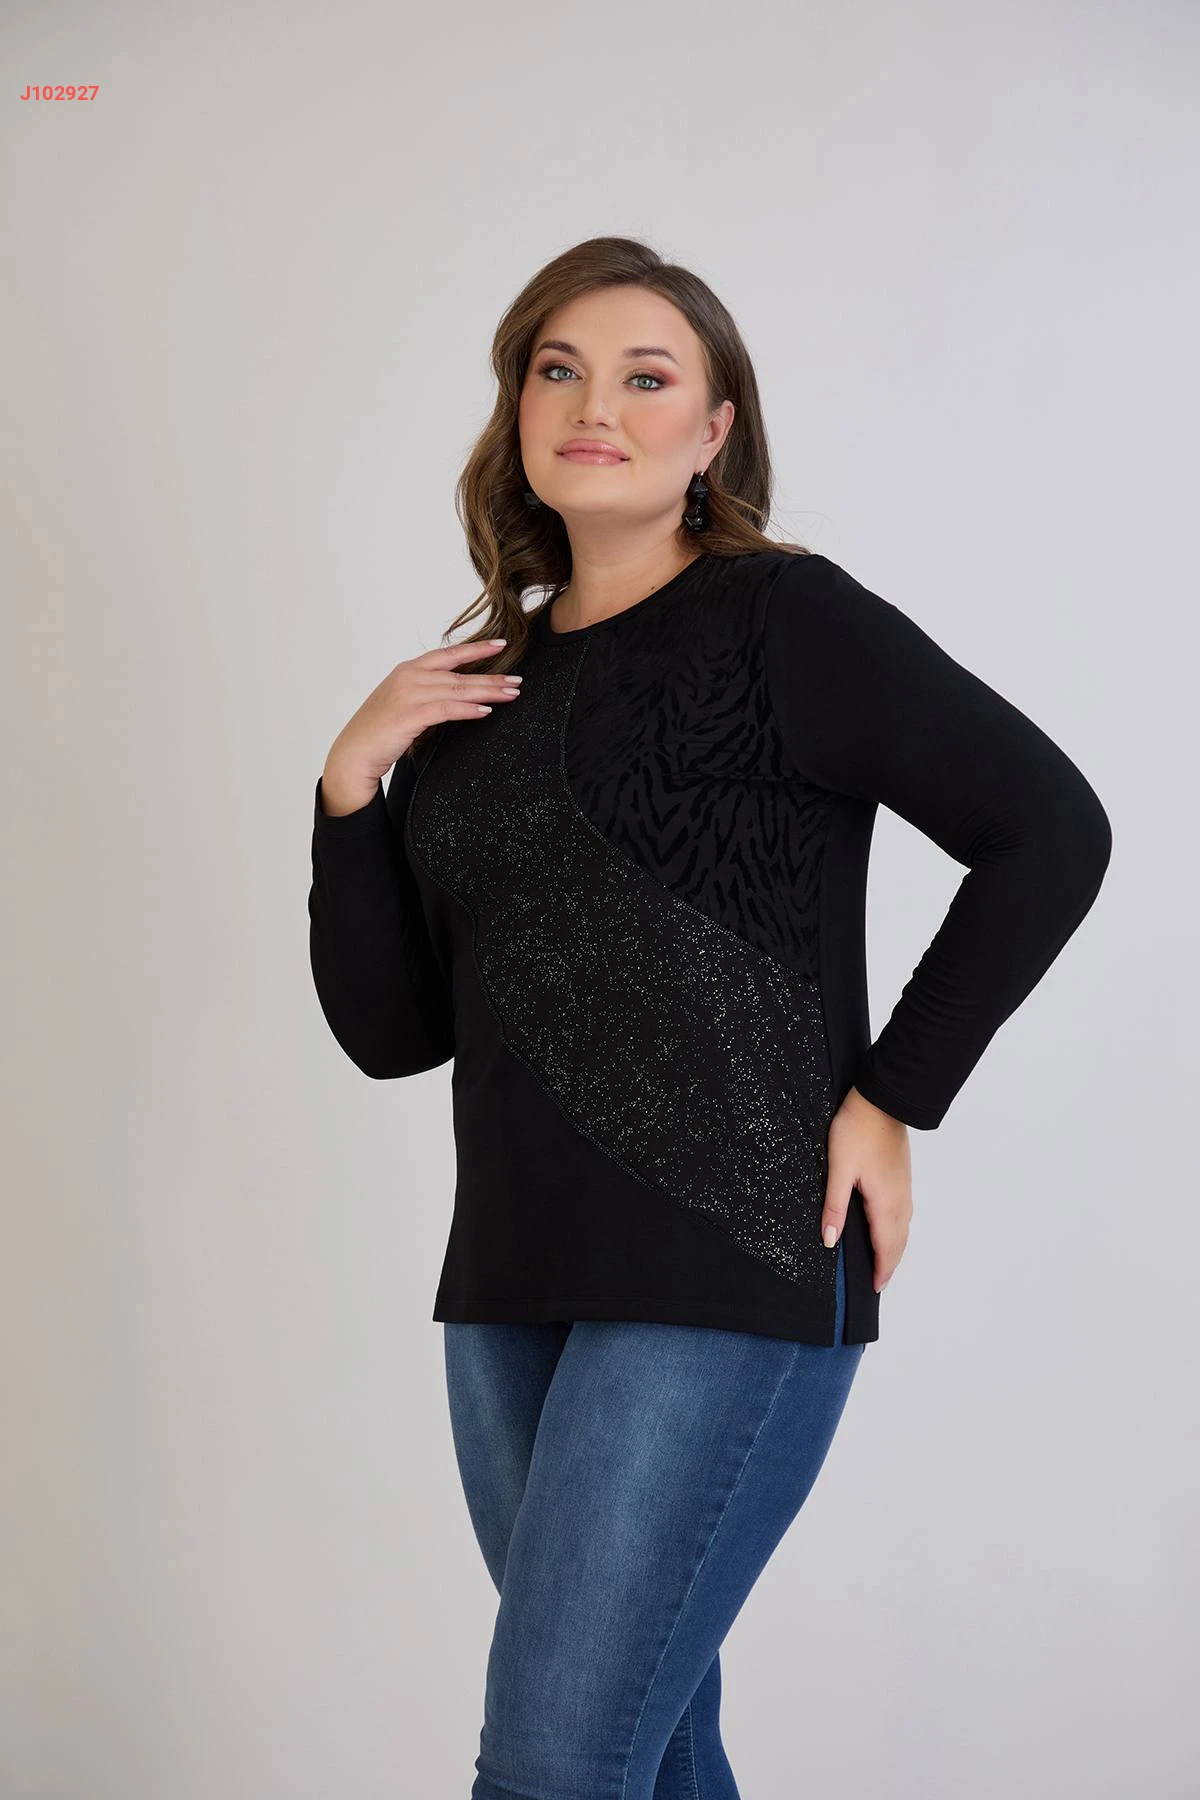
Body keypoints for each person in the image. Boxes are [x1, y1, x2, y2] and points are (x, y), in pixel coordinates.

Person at [307, 235, 1112, 1799]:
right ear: (516, 412)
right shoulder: (474, 699)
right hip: (511, 1293)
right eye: (559, 371)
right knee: (651, 1750)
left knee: (553, 1766)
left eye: (646, 376)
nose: (594, 406)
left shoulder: (784, 622)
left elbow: (1050, 830)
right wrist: (351, 788)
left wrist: (894, 1095)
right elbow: (395, 1032)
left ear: (715, 428)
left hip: (733, 1260)